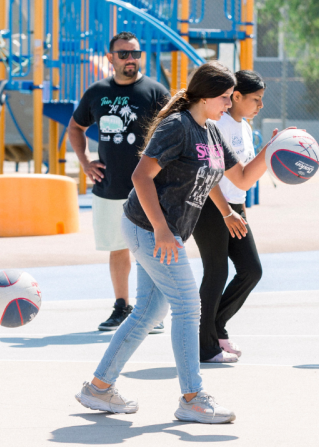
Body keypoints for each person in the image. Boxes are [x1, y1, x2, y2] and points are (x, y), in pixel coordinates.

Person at [75, 61, 271, 424]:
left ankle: (99, 388)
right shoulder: (176, 127)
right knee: (188, 305)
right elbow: (141, 176)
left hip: (162, 231)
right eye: (226, 98)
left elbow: (237, 178)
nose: (229, 104)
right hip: (149, 229)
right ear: (207, 95)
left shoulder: (211, 131)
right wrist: (162, 229)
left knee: (149, 312)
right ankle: (193, 397)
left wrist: (267, 157)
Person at [68, 31, 170, 332]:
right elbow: (75, 128)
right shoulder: (97, 92)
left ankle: (151, 311)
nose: (130, 59)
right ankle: (122, 306)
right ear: (110, 57)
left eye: (135, 54)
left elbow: (174, 130)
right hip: (109, 186)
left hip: (148, 188)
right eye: (123, 54)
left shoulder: (154, 91)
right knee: (117, 248)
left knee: (150, 249)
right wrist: (86, 161)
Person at [192, 70, 266, 363]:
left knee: (251, 270)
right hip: (212, 206)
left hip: (235, 207)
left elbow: (244, 178)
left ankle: (215, 328)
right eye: (256, 99)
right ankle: (205, 346)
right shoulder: (215, 124)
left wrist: (272, 152)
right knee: (217, 271)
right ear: (235, 97)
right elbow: (210, 176)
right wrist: (225, 212)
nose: (260, 106)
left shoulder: (244, 127)